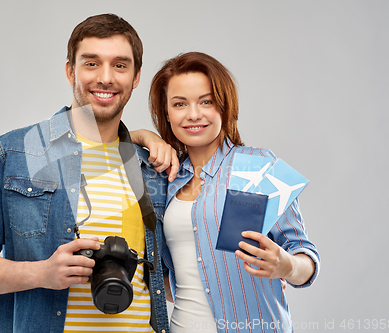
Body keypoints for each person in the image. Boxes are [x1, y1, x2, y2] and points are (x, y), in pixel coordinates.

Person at [0, 14, 178, 333]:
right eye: (92, 63)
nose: (106, 78)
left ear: (136, 76)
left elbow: (170, 281)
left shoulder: (152, 167)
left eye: (120, 65)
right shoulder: (15, 153)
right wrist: (41, 274)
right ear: (71, 70)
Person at [135, 52, 320, 333]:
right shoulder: (164, 178)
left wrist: (287, 266)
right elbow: (101, 142)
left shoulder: (257, 167)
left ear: (224, 106)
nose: (193, 114)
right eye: (180, 104)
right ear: (167, 113)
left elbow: (305, 255)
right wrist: (142, 136)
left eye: (206, 101)